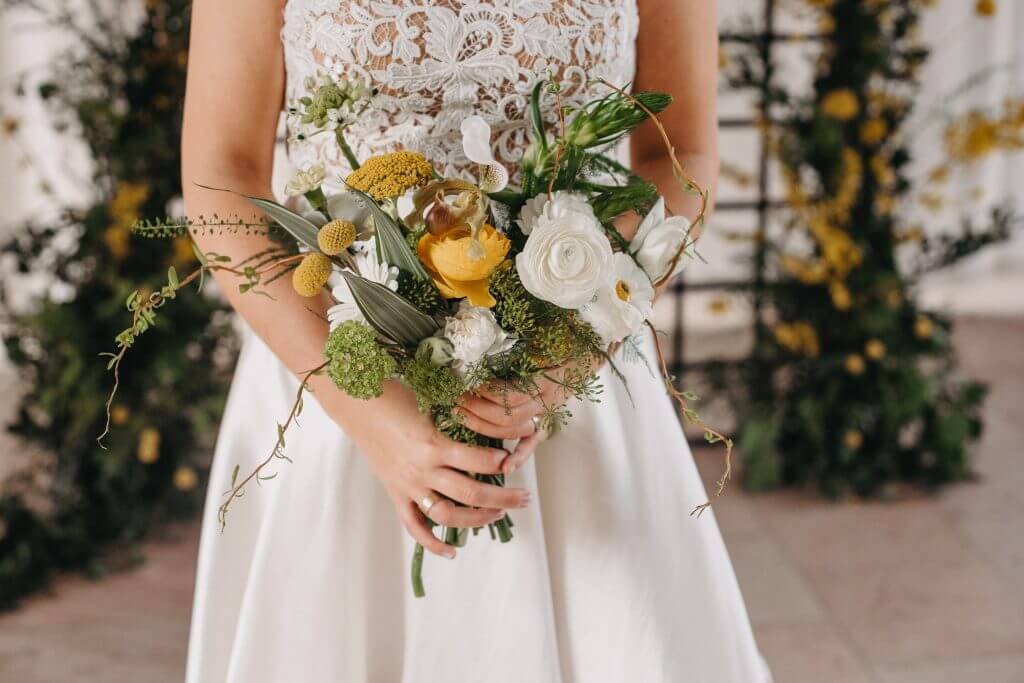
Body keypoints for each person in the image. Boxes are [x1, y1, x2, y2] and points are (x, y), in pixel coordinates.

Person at [182, 1, 770, 680]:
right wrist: (377, 418)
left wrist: (570, 352)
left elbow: (683, 149)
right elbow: (221, 174)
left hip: (571, 370)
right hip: (338, 363)